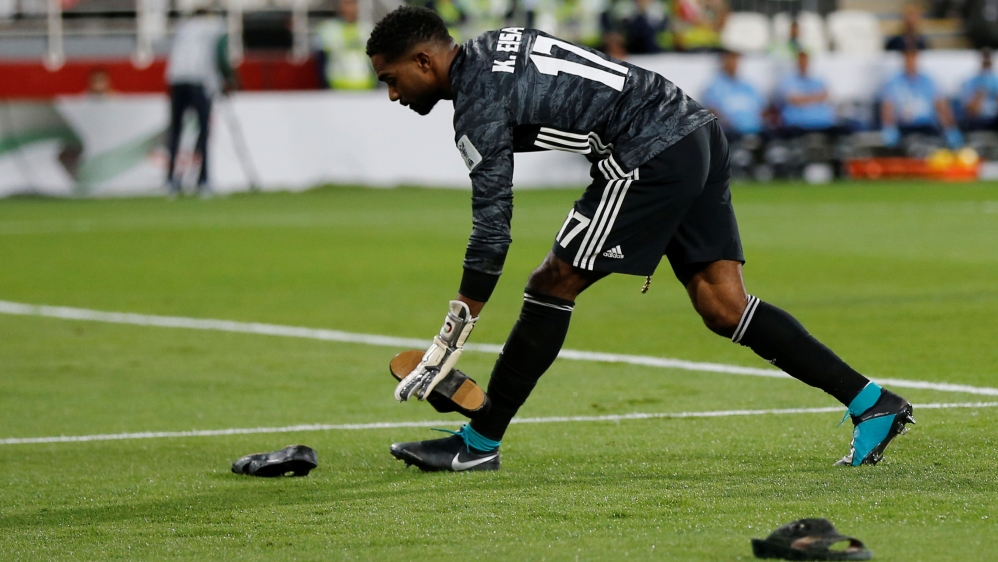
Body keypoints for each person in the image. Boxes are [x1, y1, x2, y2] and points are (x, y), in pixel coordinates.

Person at [366, 6, 914, 472]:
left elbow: (492, 223)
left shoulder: (476, 103)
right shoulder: (494, 44)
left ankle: (479, 443)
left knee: (552, 282)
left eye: (392, 79)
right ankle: (873, 403)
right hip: (695, 127)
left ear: (425, 61)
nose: (392, 95)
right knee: (725, 306)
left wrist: (451, 336)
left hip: (645, 153)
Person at [164, 8, 232, 195]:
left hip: (176, 80)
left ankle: (171, 180)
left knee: (176, 132)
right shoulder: (216, 26)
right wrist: (230, 78)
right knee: (203, 132)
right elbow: (221, 55)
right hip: (200, 81)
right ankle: (203, 180)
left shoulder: (183, 27)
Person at [880, 48, 962, 148]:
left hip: (926, 126)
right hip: (904, 126)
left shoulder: (928, 81)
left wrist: (950, 129)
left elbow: (941, 107)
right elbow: (888, 109)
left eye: (913, 58)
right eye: (908, 59)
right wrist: (889, 129)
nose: (911, 62)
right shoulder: (893, 82)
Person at [700, 50, 766, 142]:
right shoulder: (715, 86)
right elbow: (712, 110)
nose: (734, 64)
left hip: (754, 129)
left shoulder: (747, 85)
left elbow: (761, 107)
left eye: (735, 60)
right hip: (730, 131)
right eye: (730, 60)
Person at [774, 50, 842, 137]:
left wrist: (803, 98)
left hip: (823, 124)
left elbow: (826, 96)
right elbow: (793, 99)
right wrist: (816, 97)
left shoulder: (818, 80)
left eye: (805, 61)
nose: (804, 64)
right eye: (801, 62)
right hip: (798, 125)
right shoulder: (788, 80)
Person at [315, 0, 377, 90]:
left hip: (365, 87)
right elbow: (321, 61)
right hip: (336, 87)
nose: (349, 8)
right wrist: (324, 85)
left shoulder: (367, 29)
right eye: (345, 4)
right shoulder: (327, 29)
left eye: (352, 3)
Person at [959, 48, 998, 131]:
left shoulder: (995, 80)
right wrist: (980, 94)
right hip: (978, 118)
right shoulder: (971, 81)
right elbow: (969, 109)